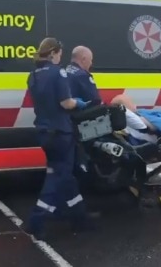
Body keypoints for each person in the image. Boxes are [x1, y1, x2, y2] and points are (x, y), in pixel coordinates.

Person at [24, 37, 96, 240]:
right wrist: (79, 103)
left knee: (65, 176)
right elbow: (66, 103)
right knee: (58, 177)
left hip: (44, 132)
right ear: (54, 53)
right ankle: (36, 219)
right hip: (61, 132)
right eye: (60, 54)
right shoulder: (58, 73)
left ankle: (79, 217)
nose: (60, 58)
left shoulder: (33, 75)